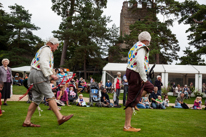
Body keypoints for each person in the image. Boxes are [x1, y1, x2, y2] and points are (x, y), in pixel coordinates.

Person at [22, 38, 73, 127]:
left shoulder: (41, 49)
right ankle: (60, 117)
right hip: (39, 74)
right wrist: (51, 75)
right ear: (52, 44)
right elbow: (43, 63)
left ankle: (27, 121)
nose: (56, 48)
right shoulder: (47, 49)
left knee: (36, 99)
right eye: (56, 46)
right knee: (50, 95)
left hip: (33, 74)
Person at [124, 31, 154, 132]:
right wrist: (144, 78)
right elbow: (140, 61)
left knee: (150, 88)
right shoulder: (142, 47)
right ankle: (127, 126)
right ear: (148, 40)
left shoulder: (135, 46)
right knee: (131, 98)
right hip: (136, 73)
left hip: (133, 72)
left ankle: (135, 101)